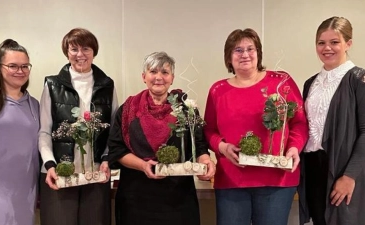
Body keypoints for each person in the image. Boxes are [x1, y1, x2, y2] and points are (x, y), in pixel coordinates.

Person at [204, 28, 308, 225]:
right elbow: (209, 130)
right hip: (232, 180)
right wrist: (222, 147)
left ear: (258, 53)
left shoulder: (281, 82)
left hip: (277, 179)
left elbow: (300, 122)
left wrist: (294, 147)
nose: (245, 54)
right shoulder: (218, 90)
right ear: (228, 57)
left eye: (250, 49)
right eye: (238, 50)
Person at [107, 51, 215, 225]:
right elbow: (117, 150)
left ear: (172, 78)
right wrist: (143, 165)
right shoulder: (128, 109)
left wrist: (205, 161)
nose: (159, 77)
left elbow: (200, 145)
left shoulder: (187, 109)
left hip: (178, 200)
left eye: (164, 72)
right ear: (144, 76)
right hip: (135, 199)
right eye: (153, 72)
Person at [298, 16, 365, 225]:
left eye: (334, 42)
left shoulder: (361, 79)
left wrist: (349, 176)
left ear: (348, 44)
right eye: (321, 42)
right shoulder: (310, 84)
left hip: (344, 168)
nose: (327, 48)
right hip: (313, 167)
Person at [38, 28, 118, 225]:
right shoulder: (52, 85)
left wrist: (107, 159)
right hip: (60, 173)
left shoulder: (107, 85)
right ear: (67, 52)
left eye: (86, 49)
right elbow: (44, 131)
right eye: (74, 49)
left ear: (94, 52)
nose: (80, 55)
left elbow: (113, 130)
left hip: (96, 174)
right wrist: (50, 164)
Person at [0, 39, 40, 225]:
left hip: (24, 191)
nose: (20, 71)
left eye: (25, 66)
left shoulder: (34, 105)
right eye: (13, 66)